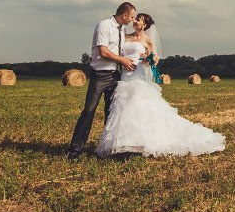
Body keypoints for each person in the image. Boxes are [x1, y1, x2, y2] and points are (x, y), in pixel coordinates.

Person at [95, 12, 225, 158]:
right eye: (135, 18)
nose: (135, 21)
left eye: (138, 19)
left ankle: (140, 143)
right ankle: (125, 143)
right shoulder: (124, 36)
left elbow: (151, 62)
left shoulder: (148, 41)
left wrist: (149, 59)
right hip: (124, 78)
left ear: (145, 25)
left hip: (138, 77)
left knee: (138, 110)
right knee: (123, 111)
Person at [68, 2, 137, 158]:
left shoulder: (122, 29)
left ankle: (107, 149)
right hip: (100, 75)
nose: (132, 20)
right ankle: (75, 150)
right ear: (125, 14)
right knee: (89, 111)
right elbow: (103, 52)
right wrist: (122, 60)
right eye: (132, 17)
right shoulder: (104, 25)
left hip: (116, 75)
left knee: (111, 113)